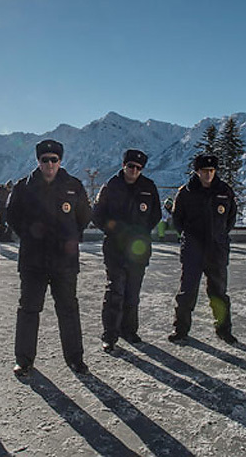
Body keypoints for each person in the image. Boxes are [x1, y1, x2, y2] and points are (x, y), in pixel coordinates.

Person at [7, 139, 92, 376]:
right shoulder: (24, 187)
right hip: (33, 262)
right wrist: (31, 236)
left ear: (60, 161)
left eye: (54, 159)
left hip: (64, 262)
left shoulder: (73, 186)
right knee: (28, 310)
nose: (50, 164)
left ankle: (75, 359)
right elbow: (12, 216)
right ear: (38, 161)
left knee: (68, 309)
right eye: (45, 160)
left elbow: (84, 216)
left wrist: (69, 237)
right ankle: (24, 361)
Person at [92, 149, 161, 353]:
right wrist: (116, 231)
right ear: (124, 165)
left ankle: (129, 330)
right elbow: (98, 215)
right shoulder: (111, 186)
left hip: (138, 249)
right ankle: (110, 335)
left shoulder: (149, 187)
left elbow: (155, 214)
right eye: (131, 166)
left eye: (139, 168)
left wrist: (140, 232)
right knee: (115, 292)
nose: (134, 171)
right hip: (115, 249)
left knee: (132, 293)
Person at [168, 154, 238, 345]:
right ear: (197, 172)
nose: (208, 174)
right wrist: (190, 238)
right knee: (187, 292)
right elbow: (177, 219)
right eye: (204, 171)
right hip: (193, 250)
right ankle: (180, 329)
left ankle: (224, 330)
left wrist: (219, 235)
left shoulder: (224, 191)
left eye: (211, 171)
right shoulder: (186, 192)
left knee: (219, 292)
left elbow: (230, 218)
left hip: (216, 250)